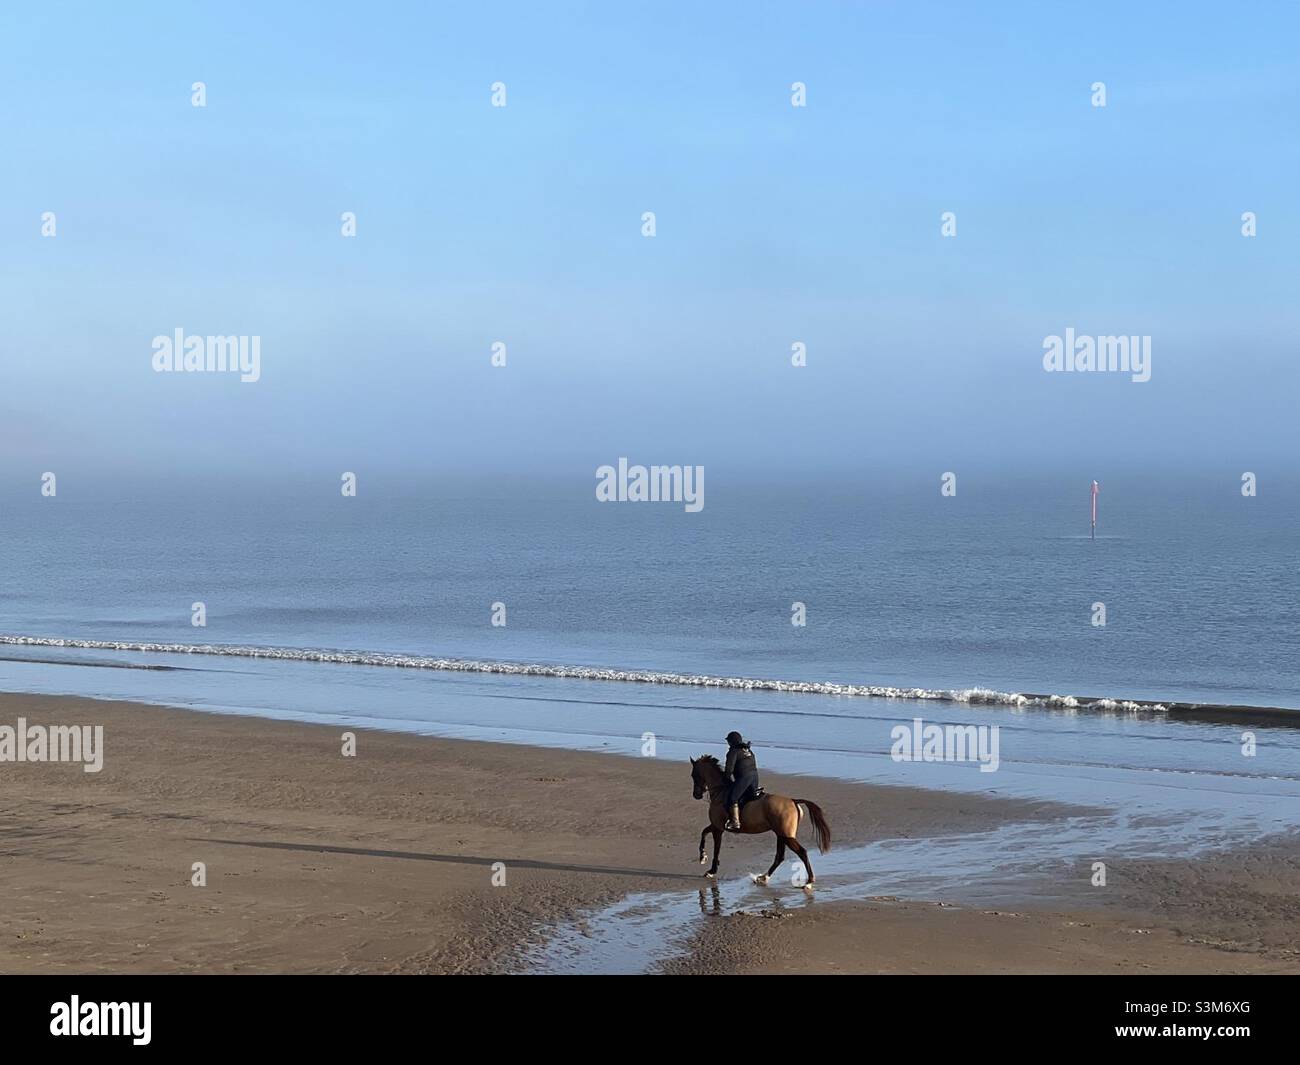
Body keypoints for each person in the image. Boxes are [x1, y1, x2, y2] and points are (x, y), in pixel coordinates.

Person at [722, 731, 759, 830]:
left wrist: (726, 779)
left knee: (732, 798)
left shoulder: (733, 751)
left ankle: (735, 822)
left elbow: (729, 770)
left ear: (731, 742)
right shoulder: (748, 750)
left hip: (744, 777)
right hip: (755, 777)